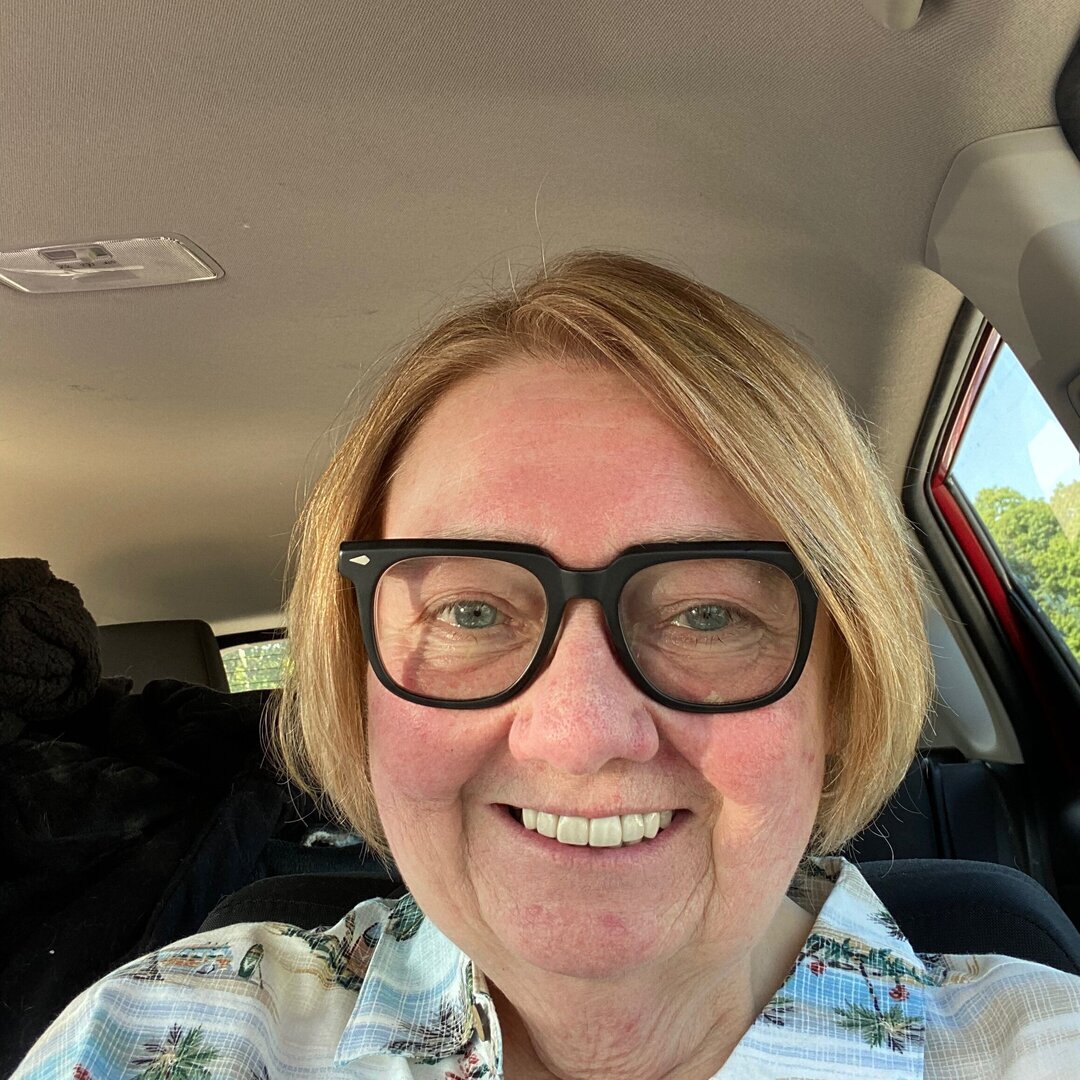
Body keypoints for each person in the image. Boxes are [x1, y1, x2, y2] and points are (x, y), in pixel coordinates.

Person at [13, 251, 1080, 1079]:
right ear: (358, 687)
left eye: (708, 614)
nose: (577, 733)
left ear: (841, 689)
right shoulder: (154, 1034)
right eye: (472, 611)